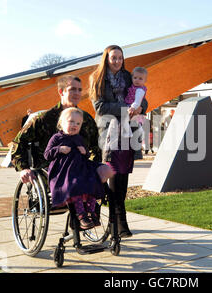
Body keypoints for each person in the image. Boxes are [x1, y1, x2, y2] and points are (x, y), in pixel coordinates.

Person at [89, 45, 148, 238]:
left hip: (128, 133)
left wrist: (140, 108)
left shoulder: (127, 76)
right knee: (112, 177)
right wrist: (126, 108)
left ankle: (120, 222)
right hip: (109, 133)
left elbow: (142, 96)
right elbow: (100, 107)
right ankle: (115, 223)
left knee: (123, 179)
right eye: (114, 57)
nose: (117, 61)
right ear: (106, 58)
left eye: (120, 58)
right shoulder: (97, 79)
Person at [11, 75, 105, 187]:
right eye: (72, 89)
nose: (77, 93)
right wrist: (24, 168)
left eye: (79, 90)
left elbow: (96, 147)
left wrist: (94, 167)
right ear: (61, 92)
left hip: (79, 171)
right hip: (51, 173)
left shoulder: (86, 119)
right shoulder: (44, 119)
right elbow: (18, 142)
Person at [44, 108, 114, 229]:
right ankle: (81, 215)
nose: (74, 125)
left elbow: (86, 155)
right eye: (71, 122)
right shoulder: (56, 138)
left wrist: (84, 152)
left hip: (80, 167)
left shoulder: (79, 138)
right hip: (64, 169)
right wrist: (59, 149)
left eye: (78, 123)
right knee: (75, 184)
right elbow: (47, 154)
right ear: (61, 123)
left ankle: (91, 211)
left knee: (93, 182)